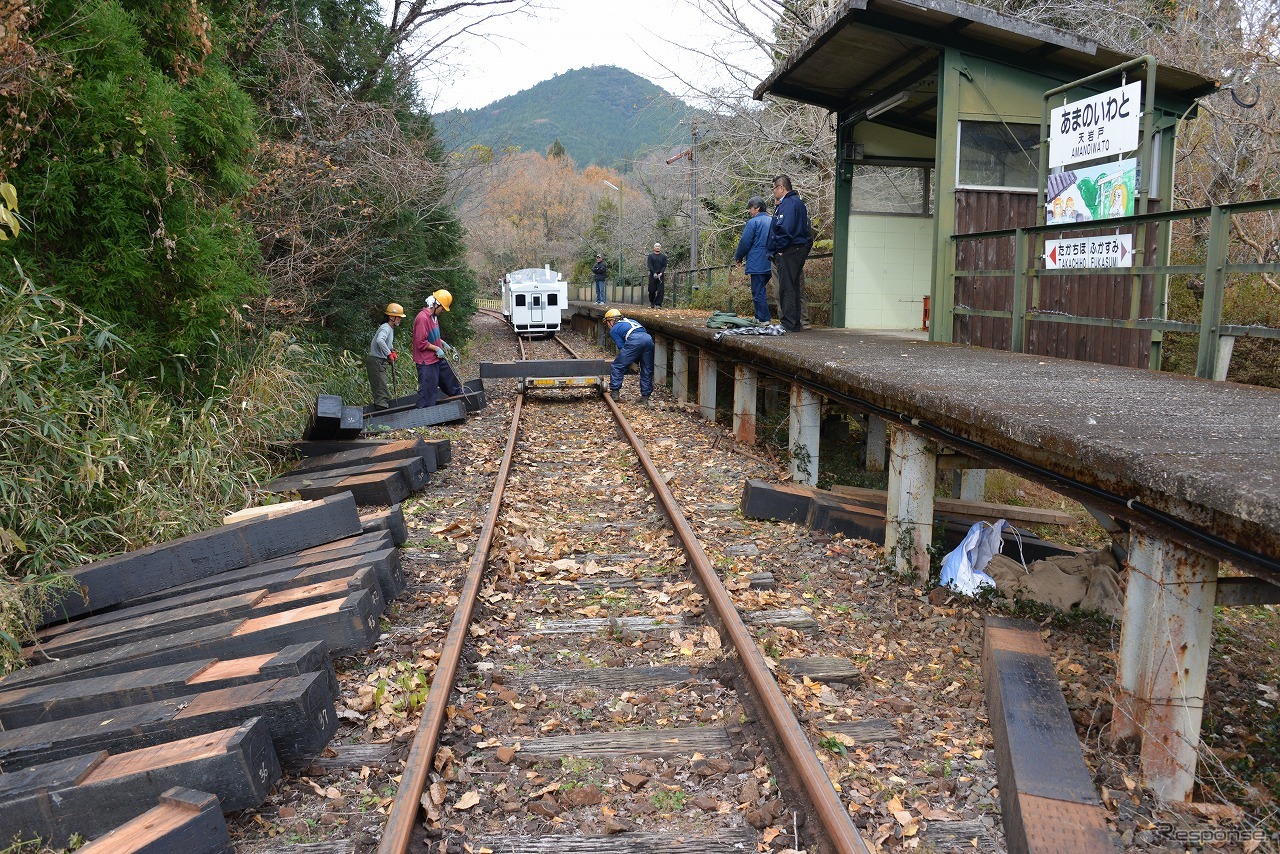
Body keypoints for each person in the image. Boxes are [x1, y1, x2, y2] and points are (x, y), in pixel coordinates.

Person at [767, 175, 813, 333]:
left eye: (774, 188)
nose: (773, 192)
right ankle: (795, 323)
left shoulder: (787, 204)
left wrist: (779, 248)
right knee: (793, 286)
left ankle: (788, 322)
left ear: (781, 188)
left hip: (789, 250)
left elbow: (784, 229)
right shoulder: (798, 203)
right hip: (798, 249)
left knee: (786, 287)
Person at [412, 289, 464, 409]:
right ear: (436, 304)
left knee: (451, 382)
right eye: (442, 308)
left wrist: (442, 342)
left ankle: (461, 402)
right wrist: (436, 348)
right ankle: (424, 417)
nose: (443, 311)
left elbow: (431, 336)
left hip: (437, 359)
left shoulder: (434, 318)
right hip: (426, 362)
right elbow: (420, 342)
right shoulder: (422, 318)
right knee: (428, 393)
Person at [733, 196, 773, 323]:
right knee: (762, 289)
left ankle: (763, 319)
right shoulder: (773, 220)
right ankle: (759, 316)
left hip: (757, 261)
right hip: (772, 260)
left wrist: (738, 257)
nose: (749, 211)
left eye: (751, 208)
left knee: (758, 290)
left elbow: (745, 242)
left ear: (757, 208)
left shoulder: (753, 222)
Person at [603, 308, 654, 404]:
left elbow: (622, 348)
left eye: (607, 323)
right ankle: (645, 397)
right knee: (647, 369)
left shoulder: (614, 329)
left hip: (635, 340)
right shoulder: (632, 321)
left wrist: (630, 362)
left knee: (617, 366)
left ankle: (614, 393)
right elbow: (641, 341)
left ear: (612, 321)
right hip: (648, 338)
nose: (608, 326)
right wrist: (634, 361)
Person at [367, 302, 405, 410]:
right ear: (391, 317)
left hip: (379, 362)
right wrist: (388, 353)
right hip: (376, 361)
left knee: (382, 389)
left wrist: (391, 350)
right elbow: (380, 340)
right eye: (398, 317)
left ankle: (382, 408)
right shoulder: (386, 328)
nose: (400, 320)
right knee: (381, 393)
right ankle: (382, 415)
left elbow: (387, 342)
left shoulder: (389, 328)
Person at [645, 243, 667, 308]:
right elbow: (649, 265)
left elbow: (664, 266)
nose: (657, 247)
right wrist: (654, 272)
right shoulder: (650, 256)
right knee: (651, 290)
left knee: (660, 290)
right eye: (656, 246)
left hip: (660, 275)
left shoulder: (663, 257)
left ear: (660, 248)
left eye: (658, 246)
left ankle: (658, 304)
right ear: (654, 248)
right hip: (652, 275)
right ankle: (652, 302)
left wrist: (661, 273)